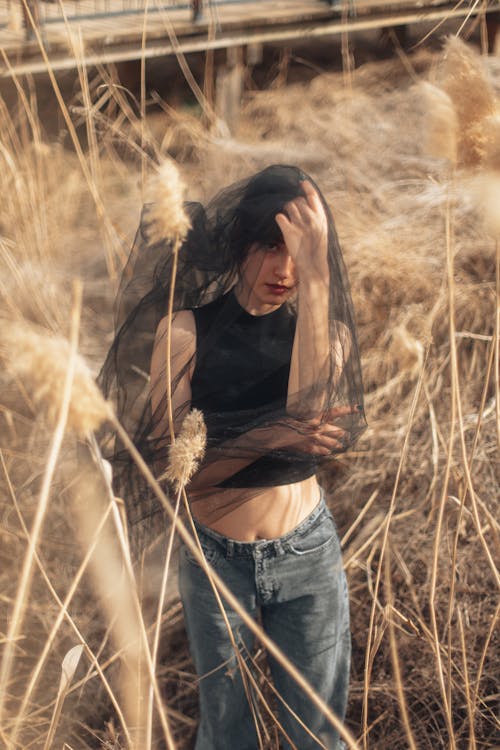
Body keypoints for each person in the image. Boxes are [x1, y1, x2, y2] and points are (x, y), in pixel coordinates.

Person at [99, 165, 366, 749]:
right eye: (271, 247)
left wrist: (319, 276)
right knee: (228, 733)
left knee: (316, 732)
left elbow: (308, 404)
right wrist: (273, 438)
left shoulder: (330, 335)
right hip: (218, 563)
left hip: (307, 556)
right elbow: (179, 478)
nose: (285, 269)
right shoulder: (185, 334)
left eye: (299, 252)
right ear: (240, 244)